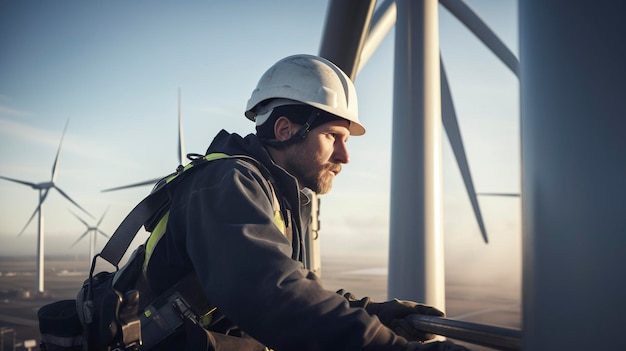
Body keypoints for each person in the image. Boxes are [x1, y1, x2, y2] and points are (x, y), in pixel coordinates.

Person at [141, 54, 469, 350]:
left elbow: (292, 285)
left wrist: (373, 313)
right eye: (332, 137)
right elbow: (272, 295)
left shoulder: (275, 196)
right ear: (285, 130)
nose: (345, 156)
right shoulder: (229, 182)